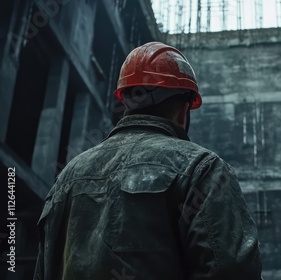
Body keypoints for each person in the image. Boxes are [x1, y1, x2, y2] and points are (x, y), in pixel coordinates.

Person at [34, 42, 262, 280]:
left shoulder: (67, 178)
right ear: (185, 107)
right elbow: (233, 271)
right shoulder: (201, 169)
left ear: (126, 101)